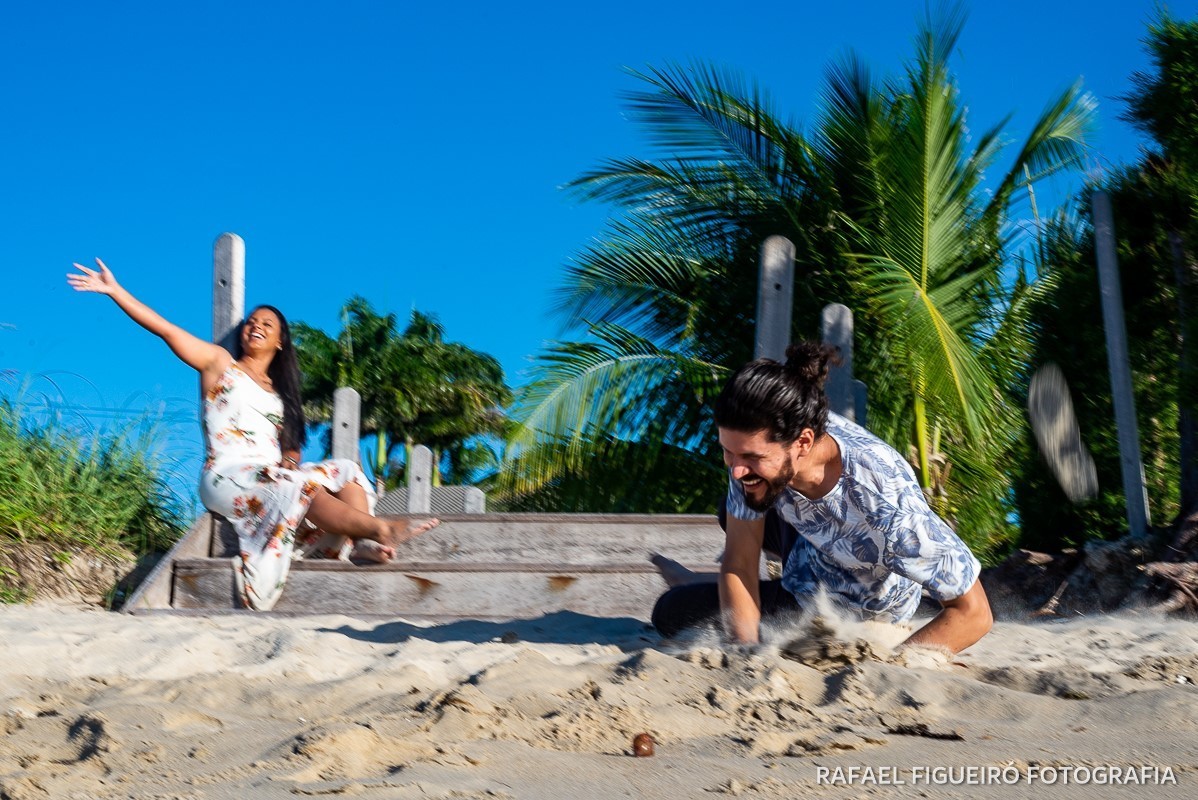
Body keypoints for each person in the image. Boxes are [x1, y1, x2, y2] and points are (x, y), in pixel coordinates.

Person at [68, 258, 438, 610]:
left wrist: (291, 464)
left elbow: (286, 453)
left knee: (345, 468)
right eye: (250, 322)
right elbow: (165, 329)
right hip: (227, 475)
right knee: (299, 487)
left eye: (267, 324)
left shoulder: (281, 396)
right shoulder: (219, 363)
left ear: (280, 341)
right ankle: (380, 529)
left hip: (269, 474)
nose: (255, 326)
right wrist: (116, 291)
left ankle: (359, 543)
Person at [651, 342, 992, 654]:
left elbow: (975, 613)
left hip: (848, 602)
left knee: (671, 612)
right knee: (735, 508)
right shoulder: (768, 436)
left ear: (802, 442)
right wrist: (747, 654)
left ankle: (703, 582)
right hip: (809, 539)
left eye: (751, 457)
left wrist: (889, 666)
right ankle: (718, 582)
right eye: (728, 452)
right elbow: (739, 562)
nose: (737, 470)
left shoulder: (886, 505)